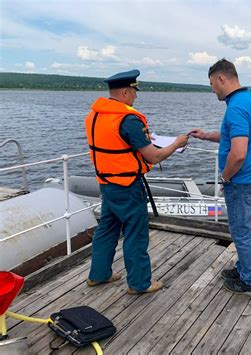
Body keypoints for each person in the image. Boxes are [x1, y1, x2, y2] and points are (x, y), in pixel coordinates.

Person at [84, 69, 188, 294]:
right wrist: (177, 143)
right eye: (133, 91)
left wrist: (142, 139)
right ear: (124, 92)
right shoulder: (128, 119)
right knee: (136, 233)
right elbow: (154, 156)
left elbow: (114, 142)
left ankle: (98, 275)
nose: (135, 96)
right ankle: (140, 284)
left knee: (107, 228)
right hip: (128, 185)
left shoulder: (95, 115)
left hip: (107, 183)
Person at [190, 59, 251, 296]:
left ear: (222, 78)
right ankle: (244, 267)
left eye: (212, 83)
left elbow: (239, 153)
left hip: (242, 182)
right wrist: (205, 136)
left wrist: (225, 177)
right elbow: (233, 137)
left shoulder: (235, 108)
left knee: (239, 232)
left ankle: (249, 281)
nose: (212, 88)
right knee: (241, 229)